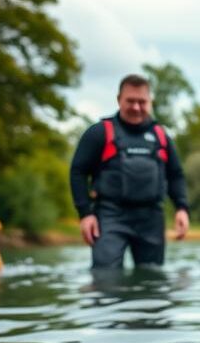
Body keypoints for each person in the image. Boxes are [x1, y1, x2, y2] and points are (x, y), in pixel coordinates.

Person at [69, 74, 190, 269]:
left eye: (141, 102)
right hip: (110, 216)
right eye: (130, 101)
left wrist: (182, 208)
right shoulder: (100, 132)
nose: (136, 107)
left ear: (150, 101)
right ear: (119, 100)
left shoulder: (161, 136)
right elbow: (78, 172)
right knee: (105, 277)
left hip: (151, 218)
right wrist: (85, 213)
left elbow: (175, 174)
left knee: (152, 279)